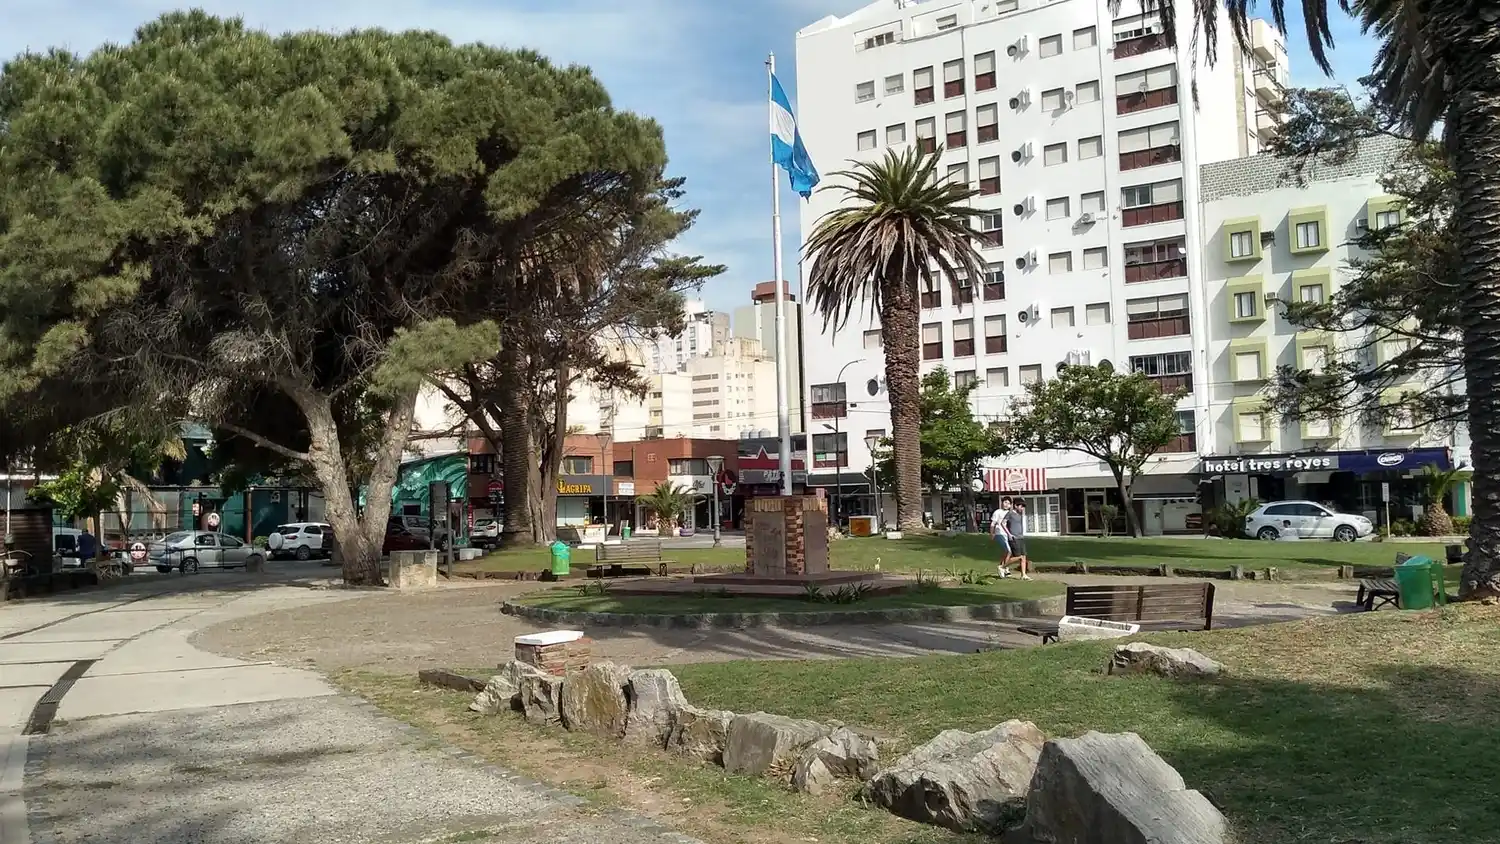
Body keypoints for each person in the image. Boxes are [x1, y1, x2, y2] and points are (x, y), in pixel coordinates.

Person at [1005, 500, 1031, 580]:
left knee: (1023, 556)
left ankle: (1023, 575)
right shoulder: (1010, 513)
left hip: (1021, 537)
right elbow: (1002, 523)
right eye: (1021, 506)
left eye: (1023, 507)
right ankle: (1002, 566)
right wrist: (1009, 534)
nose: (1022, 508)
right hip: (1014, 538)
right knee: (1018, 556)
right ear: (1016, 506)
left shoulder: (1019, 515)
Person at [990, 497, 1013, 578]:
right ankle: (1003, 568)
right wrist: (992, 533)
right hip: (999, 533)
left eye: (1008, 503)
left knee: (1007, 552)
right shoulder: (997, 512)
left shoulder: (1010, 513)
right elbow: (993, 524)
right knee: (1008, 551)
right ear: (1002, 503)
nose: (1006, 504)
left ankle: (1004, 567)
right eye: (1005, 502)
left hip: (1008, 534)